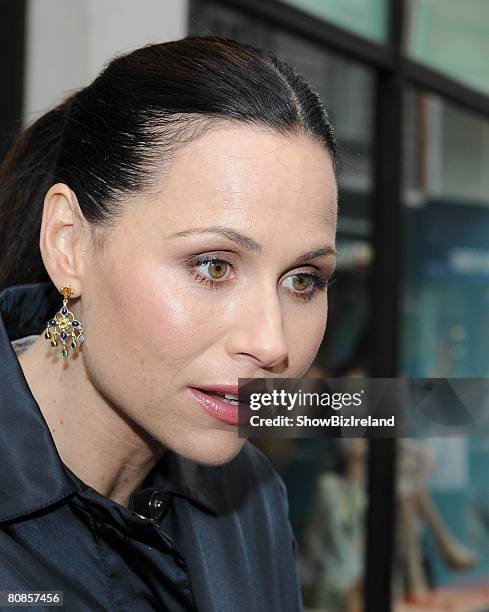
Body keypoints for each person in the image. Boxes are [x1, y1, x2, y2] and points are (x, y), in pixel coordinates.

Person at [0, 36, 338, 611]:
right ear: (69, 245)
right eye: (212, 266)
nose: (272, 343)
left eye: (302, 280)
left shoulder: (249, 494)